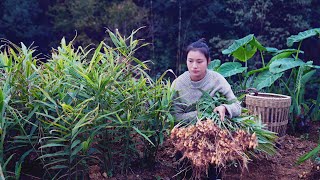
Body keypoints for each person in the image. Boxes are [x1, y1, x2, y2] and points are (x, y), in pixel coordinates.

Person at [171, 39, 241, 179]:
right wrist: (201, 116)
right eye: (190, 61)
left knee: (214, 158)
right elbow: (175, 116)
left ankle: (215, 175)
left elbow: (237, 106)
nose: (194, 66)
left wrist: (224, 108)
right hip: (187, 134)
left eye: (199, 61)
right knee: (185, 170)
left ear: (208, 61)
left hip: (213, 135)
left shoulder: (217, 80)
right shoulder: (178, 84)